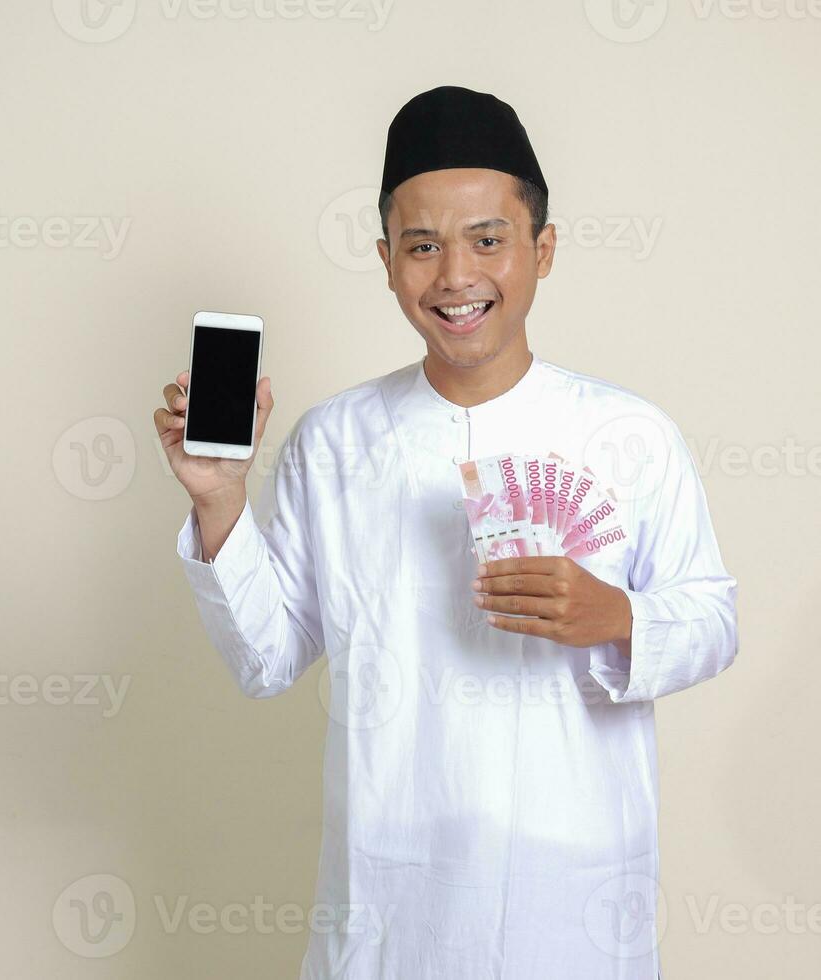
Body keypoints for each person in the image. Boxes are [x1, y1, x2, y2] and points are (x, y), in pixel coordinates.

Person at [153, 85, 738, 980]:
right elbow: (266, 658)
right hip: (393, 905)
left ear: (542, 250)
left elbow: (713, 619)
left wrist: (613, 615)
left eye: (488, 240)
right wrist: (220, 501)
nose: (456, 275)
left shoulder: (630, 435)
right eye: (423, 246)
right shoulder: (336, 441)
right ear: (388, 261)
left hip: (570, 902)